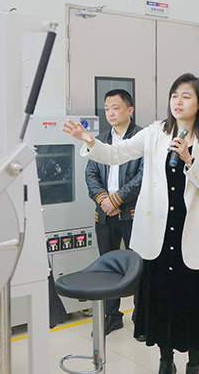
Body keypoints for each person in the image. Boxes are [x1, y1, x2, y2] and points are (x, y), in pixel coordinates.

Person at [63, 73, 199, 374]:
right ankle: (166, 360)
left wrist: (190, 160)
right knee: (162, 301)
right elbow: (116, 153)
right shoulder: (155, 132)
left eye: (186, 96)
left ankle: (193, 364)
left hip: (192, 234)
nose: (178, 102)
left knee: (192, 302)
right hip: (158, 235)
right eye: (174, 95)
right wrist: (90, 141)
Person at [84, 89, 144, 335]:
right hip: (104, 214)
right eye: (107, 108)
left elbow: (144, 176)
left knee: (138, 266)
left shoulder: (142, 138)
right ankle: (112, 315)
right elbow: (91, 174)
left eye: (115, 108)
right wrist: (103, 200)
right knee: (107, 267)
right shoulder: (99, 140)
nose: (110, 113)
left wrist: (117, 199)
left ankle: (141, 316)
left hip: (134, 214)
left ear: (129, 110)